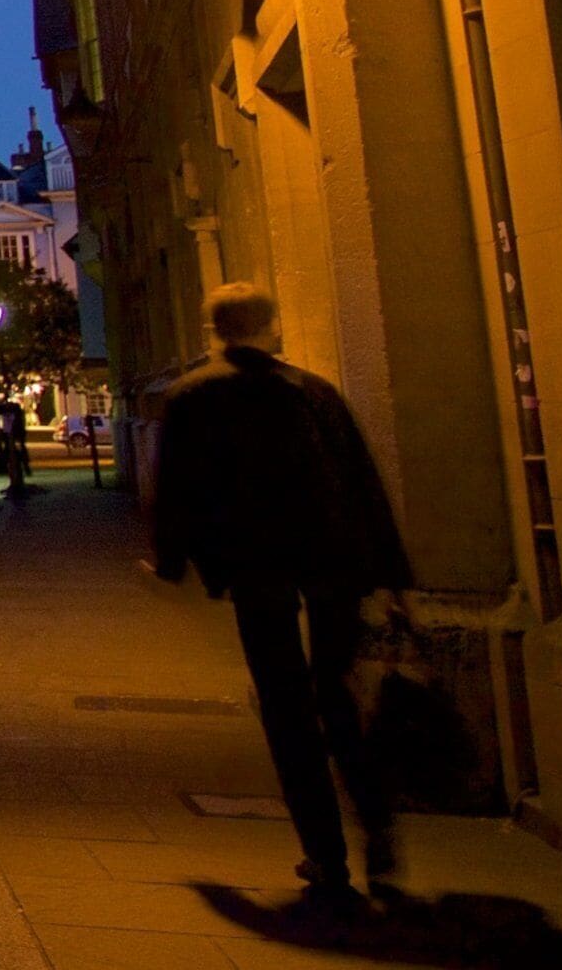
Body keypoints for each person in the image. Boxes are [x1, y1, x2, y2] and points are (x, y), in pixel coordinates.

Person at [149, 281, 413, 901]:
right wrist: (394, 574)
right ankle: (376, 824)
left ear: (215, 331)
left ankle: (325, 856)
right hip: (332, 563)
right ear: (270, 326)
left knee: (287, 709)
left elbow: (177, 489)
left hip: (256, 567)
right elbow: (361, 480)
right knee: (339, 695)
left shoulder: (193, 397)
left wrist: (172, 563)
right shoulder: (315, 392)